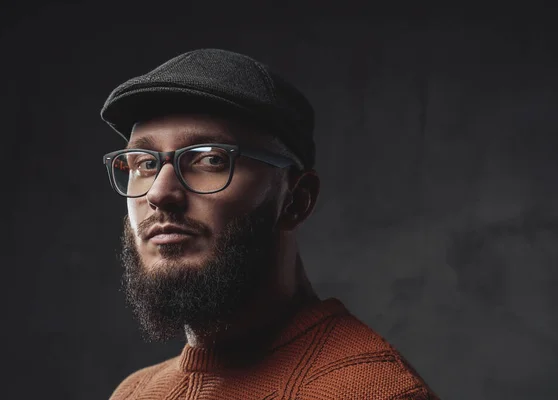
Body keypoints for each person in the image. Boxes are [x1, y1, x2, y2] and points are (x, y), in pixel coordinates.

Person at [100, 48, 439, 400]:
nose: (160, 193)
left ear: (296, 200)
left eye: (209, 159)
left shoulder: (375, 393)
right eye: (143, 164)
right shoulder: (134, 393)